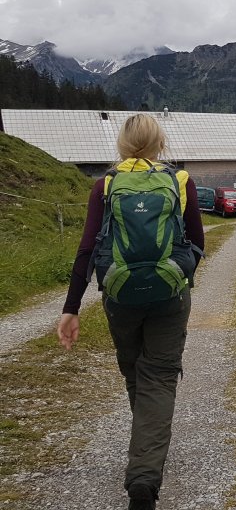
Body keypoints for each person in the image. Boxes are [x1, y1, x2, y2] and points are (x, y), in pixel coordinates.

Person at [57, 113, 205, 510]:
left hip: (120, 296)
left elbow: (87, 250)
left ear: (122, 144)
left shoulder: (105, 185)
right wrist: (178, 277)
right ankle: (144, 474)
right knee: (160, 375)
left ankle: (145, 456)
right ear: (160, 143)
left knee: (134, 370)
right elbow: (197, 242)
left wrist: (71, 308)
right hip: (169, 296)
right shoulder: (180, 181)